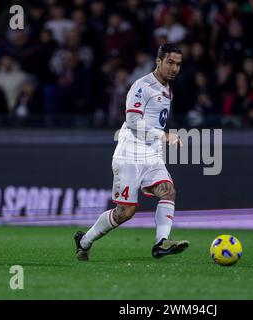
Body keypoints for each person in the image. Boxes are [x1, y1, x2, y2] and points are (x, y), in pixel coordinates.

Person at [74, 43, 189, 261]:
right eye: (170, 63)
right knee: (125, 213)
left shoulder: (167, 91)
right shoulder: (142, 86)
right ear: (158, 61)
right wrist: (163, 136)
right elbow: (132, 120)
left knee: (168, 191)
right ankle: (84, 240)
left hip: (151, 156)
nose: (174, 68)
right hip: (129, 155)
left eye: (178, 64)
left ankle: (160, 243)